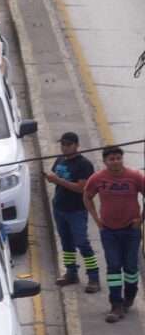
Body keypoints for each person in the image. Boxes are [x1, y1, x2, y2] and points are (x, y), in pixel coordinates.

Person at [83, 146, 145, 322]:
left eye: (118, 158)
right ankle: (116, 305)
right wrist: (96, 219)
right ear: (105, 161)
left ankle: (130, 295)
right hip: (108, 231)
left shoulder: (135, 177)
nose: (116, 161)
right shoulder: (98, 178)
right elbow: (87, 196)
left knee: (131, 267)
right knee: (113, 267)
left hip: (131, 231)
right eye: (112, 159)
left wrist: (141, 219)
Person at [46, 132, 101, 291]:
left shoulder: (84, 165)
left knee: (82, 243)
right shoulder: (60, 160)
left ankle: (93, 277)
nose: (64, 147)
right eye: (62, 144)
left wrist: (58, 181)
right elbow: (57, 177)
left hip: (76, 210)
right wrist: (53, 179)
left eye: (68, 144)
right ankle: (71, 273)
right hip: (59, 208)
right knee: (66, 243)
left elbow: (81, 188)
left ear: (77, 145)